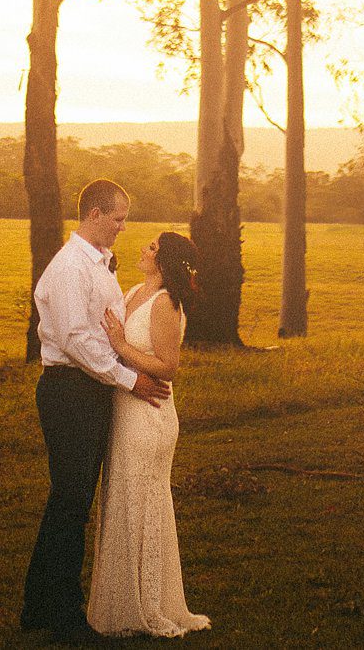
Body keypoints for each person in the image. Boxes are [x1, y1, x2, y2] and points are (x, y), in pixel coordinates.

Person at [24, 179, 169, 643]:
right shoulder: (71, 268)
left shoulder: (99, 267)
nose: (124, 227)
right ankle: (62, 613)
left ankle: (40, 606)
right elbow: (76, 340)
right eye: (119, 218)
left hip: (88, 391)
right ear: (94, 214)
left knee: (69, 502)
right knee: (71, 503)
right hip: (70, 391)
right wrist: (131, 379)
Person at [86, 229, 209, 637]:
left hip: (149, 414)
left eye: (152, 247)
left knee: (142, 501)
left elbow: (168, 367)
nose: (143, 247)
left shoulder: (164, 305)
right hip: (124, 410)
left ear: (165, 260)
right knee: (121, 498)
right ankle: (122, 602)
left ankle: (149, 605)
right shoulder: (135, 289)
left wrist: (120, 345)